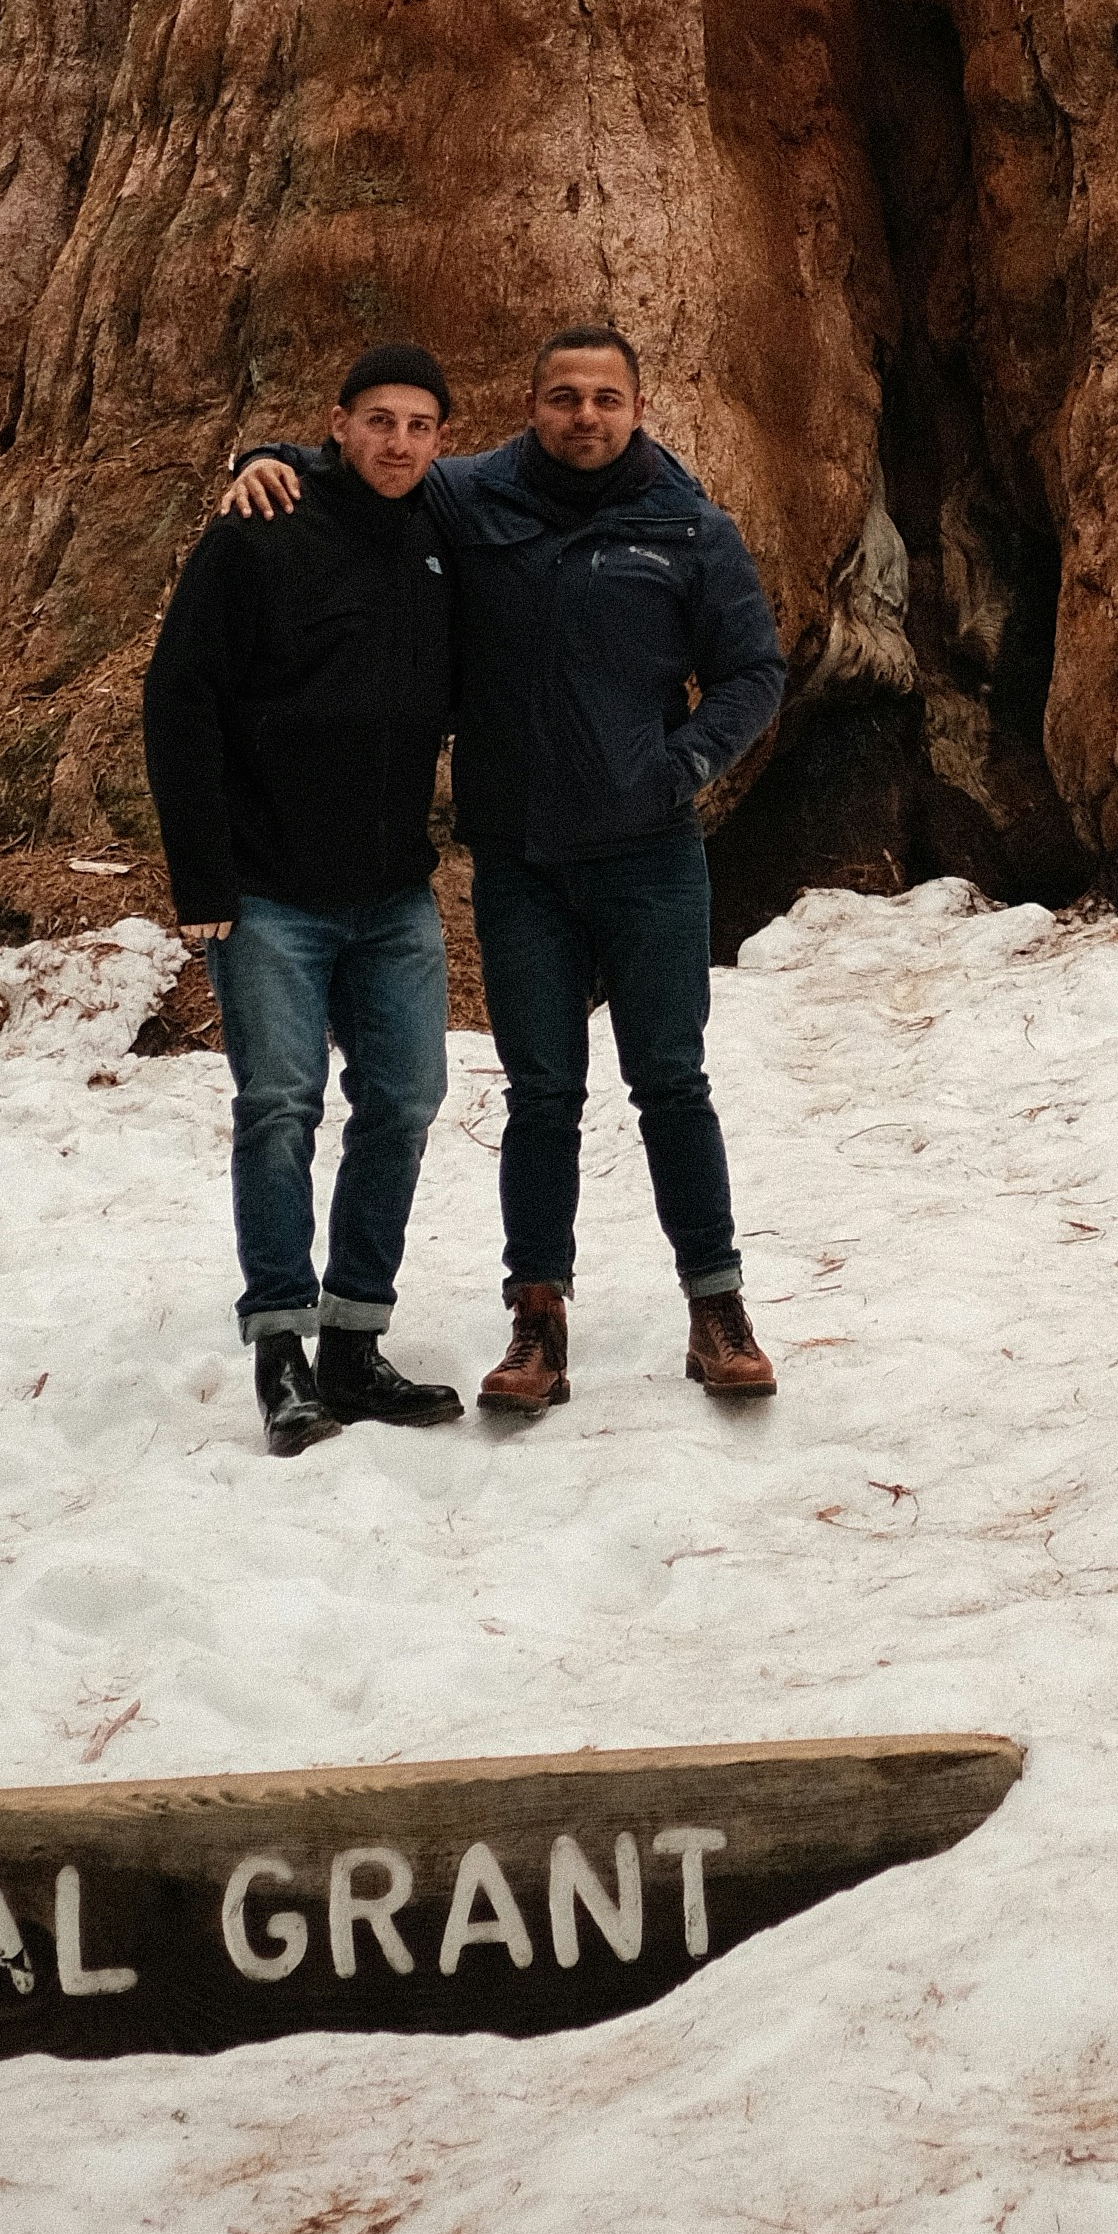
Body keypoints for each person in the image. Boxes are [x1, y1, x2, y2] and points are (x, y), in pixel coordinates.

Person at [223, 323, 784, 1418]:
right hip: (520, 861)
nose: (585, 416)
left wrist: (682, 768)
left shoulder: (685, 526)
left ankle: (716, 1306)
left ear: (636, 406)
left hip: (651, 860)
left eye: (605, 399)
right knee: (541, 1095)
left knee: (671, 1083)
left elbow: (751, 670)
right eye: (563, 397)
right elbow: (368, 468)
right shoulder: (469, 499)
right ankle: (537, 1317)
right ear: (531, 405)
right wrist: (266, 459)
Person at [144, 341, 472, 1457]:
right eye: (377, 420)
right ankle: (280, 1353)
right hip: (269, 892)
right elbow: (178, 698)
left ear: (441, 440)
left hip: (392, 895)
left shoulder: (442, 532)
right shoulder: (259, 531)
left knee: (407, 1100)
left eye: (420, 425)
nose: (398, 442)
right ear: (337, 425)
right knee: (278, 1108)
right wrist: (202, 879)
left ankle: (353, 1341)